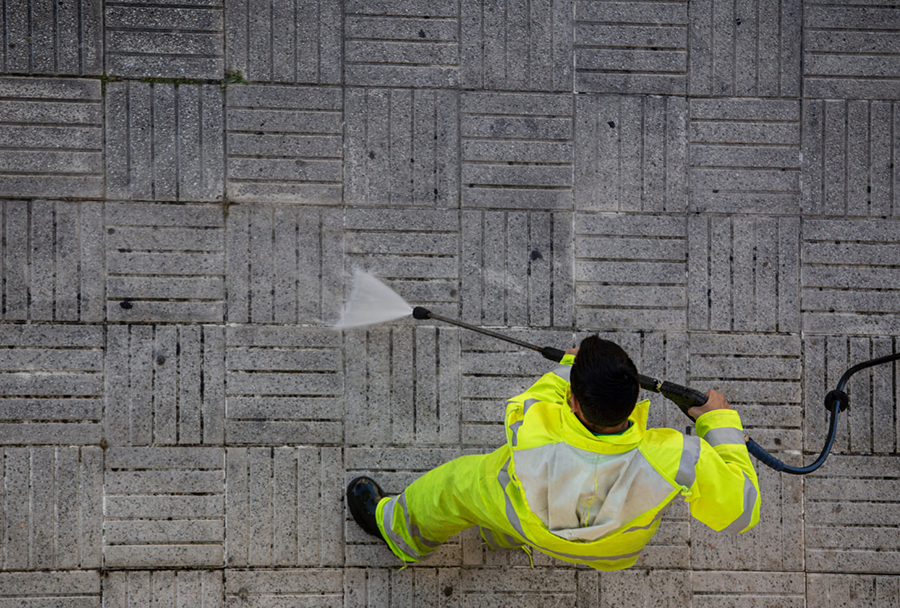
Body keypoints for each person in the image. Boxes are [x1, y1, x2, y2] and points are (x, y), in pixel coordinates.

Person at [347, 335, 761, 570]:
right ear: (636, 395)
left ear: (575, 403)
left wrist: (568, 365)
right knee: (500, 500)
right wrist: (720, 424)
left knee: (456, 485)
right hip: (611, 551)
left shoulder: (534, 425)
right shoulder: (678, 456)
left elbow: (539, 395)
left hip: (527, 518)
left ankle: (397, 530)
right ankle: (500, 539)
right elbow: (742, 510)